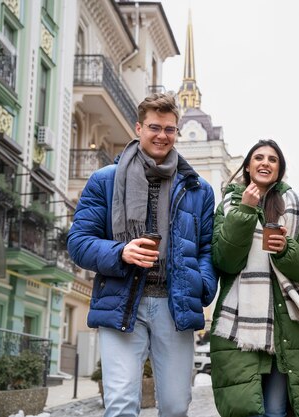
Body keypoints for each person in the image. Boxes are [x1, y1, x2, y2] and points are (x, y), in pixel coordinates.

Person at [67, 92, 217, 417]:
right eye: (154, 127)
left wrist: (203, 287)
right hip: (122, 299)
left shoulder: (198, 189)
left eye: (169, 129)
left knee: (176, 406)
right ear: (138, 128)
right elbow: (78, 242)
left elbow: (206, 248)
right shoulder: (104, 181)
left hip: (174, 305)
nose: (162, 135)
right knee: (121, 405)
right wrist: (121, 251)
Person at [210, 139, 299, 417]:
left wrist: (285, 249)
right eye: (259, 158)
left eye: (272, 159)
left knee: (276, 411)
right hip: (238, 326)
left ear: (279, 169)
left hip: (287, 324)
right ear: (248, 166)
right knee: (248, 411)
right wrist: (245, 210)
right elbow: (225, 260)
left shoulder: (292, 205)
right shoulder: (229, 204)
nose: (265, 163)